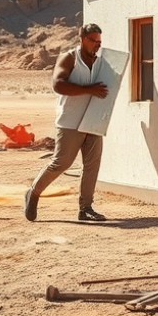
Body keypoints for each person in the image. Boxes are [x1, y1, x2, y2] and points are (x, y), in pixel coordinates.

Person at [24, 23, 110, 222]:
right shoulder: (70, 58)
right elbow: (58, 85)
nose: (96, 45)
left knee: (92, 165)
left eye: (99, 42)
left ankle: (86, 208)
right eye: (93, 40)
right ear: (82, 38)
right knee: (61, 163)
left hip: (93, 119)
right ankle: (33, 192)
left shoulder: (101, 62)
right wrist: (89, 89)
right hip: (70, 121)